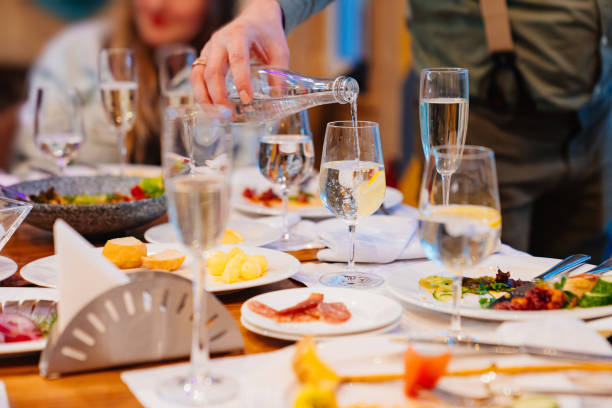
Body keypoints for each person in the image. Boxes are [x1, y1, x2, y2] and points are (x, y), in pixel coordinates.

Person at [190, 0, 612, 261]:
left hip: (599, 125)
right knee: (486, 293)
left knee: (580, 297)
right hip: (478, 132)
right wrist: (271, 7)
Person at [12, 0, 235, 176]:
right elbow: (34, 166)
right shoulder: (74, 53)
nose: (155, 5)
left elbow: (245, 171)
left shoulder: (235, 68)